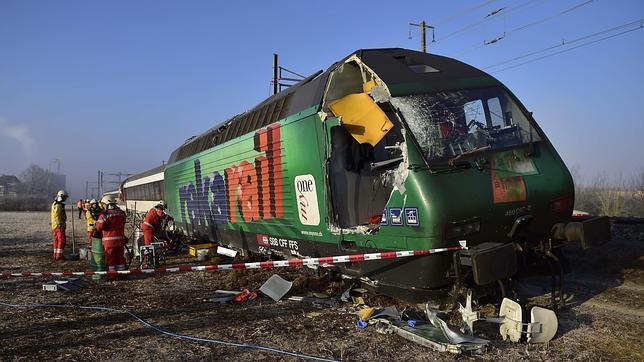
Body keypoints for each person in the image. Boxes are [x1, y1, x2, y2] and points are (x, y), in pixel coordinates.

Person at [96, 195, 127, 273]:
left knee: (110, 258)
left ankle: (112, 275)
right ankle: (122, 273)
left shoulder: (104, 215)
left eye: (103, 204)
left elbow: (99, 227)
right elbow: (123, 222)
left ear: (107, 204)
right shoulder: (121, 213)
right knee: (120, 257)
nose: (103, 206)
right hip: (120, 240)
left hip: (109, 241)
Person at [51, 190, 69, 260]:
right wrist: (60, 224)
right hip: (59, 226)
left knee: (56, 240)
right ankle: (59, 256)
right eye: (64, 197)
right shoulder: (58, 205)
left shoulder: (55, 204)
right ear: (61, 196)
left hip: (55, 226)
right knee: (62, 240)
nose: (65, 199)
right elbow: (57, 215)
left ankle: (56, 255)